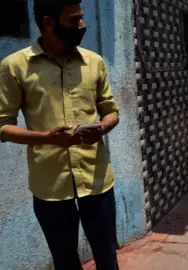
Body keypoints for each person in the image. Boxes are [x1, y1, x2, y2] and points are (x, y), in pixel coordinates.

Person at [0, 0, 120, 269]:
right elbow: (3, 126)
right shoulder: (15, 67)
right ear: (48, 22)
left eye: (82, 18)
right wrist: (48, 138)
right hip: (50, 185)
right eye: (74, 20)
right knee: (65, 262)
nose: (82, 25)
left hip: (96, 180)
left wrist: (102, 128)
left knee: (108, 259)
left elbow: (112, 111)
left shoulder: (94, 62)